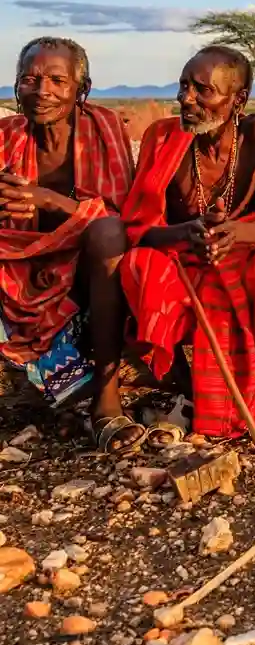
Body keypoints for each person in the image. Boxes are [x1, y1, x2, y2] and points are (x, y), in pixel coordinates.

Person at [119, 45, 255, 441]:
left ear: (237, 99)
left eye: (202, 90)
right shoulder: (162, 137)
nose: (186, 98)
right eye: (184, 86)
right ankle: (188, 394)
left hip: (243, 251)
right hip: (182, 256)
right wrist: (187, 232)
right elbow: (139, 229)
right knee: (139, 265)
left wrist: (237, 233)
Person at [0, 37, 141, 452]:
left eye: (58, 80)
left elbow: (121, 215)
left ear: (83, 89)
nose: (42, 90)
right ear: (15, 87)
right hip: (15, 272)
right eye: (30, 78)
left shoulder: (104, 127)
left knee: (109, 232)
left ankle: (106, 397)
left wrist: (49, 201)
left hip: (88, 277)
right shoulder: (6, 135)